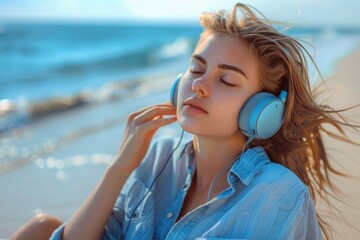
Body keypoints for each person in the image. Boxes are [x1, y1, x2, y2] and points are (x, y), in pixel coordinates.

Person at [12, 2, 358, 240]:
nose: (200, 86)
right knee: (42, 227)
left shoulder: (277, 194)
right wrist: (119, 167)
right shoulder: (160, 157)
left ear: (262, 110)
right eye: (196, 69)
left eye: (227, 80)